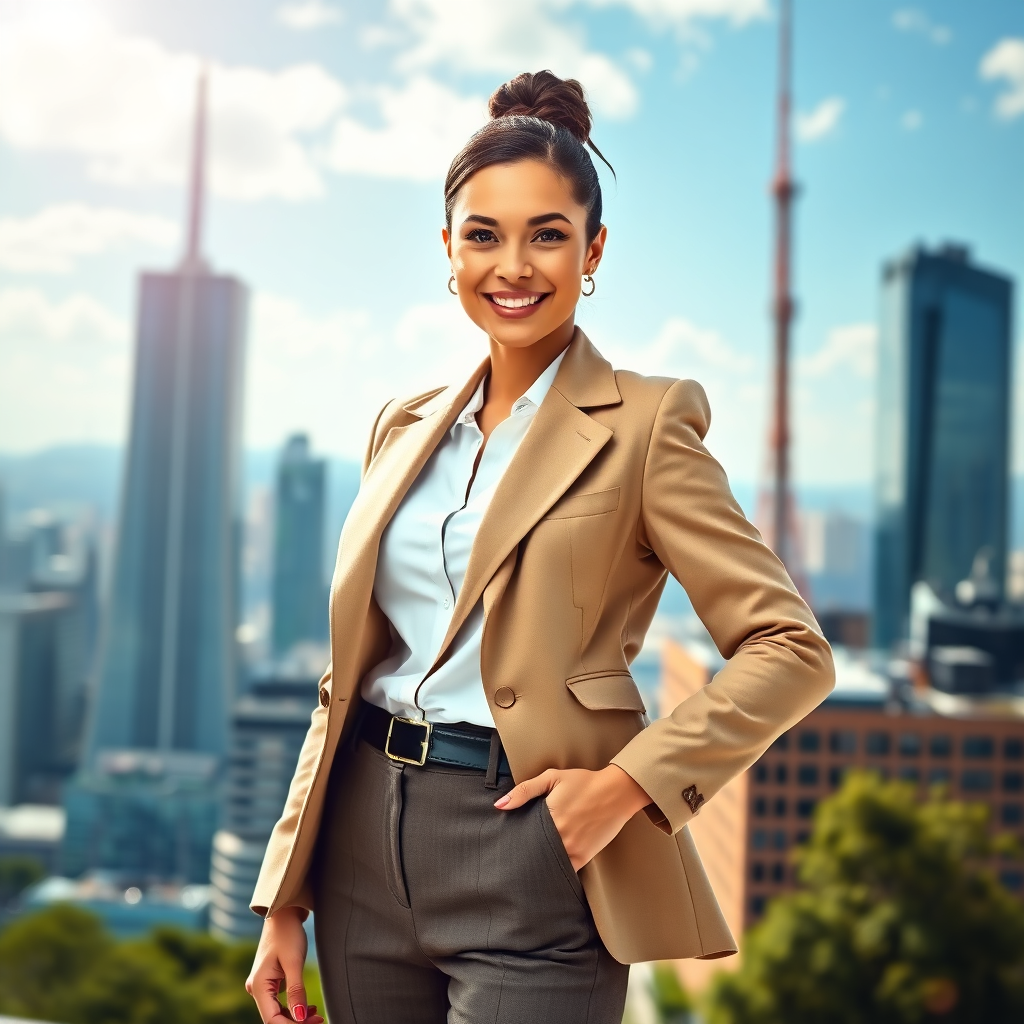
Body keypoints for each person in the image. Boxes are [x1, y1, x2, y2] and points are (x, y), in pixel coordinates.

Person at [245, 70, 834, 1024]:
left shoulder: (646, 424)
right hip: (360, 845)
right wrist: (285, 895)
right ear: (447, 248)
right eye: (484, 235)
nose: (512, 266)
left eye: (547, 235)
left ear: (593, 248)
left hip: (532, 849)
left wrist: (628, 787)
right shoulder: (403, 427)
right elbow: (349, 673)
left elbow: (791, 651)